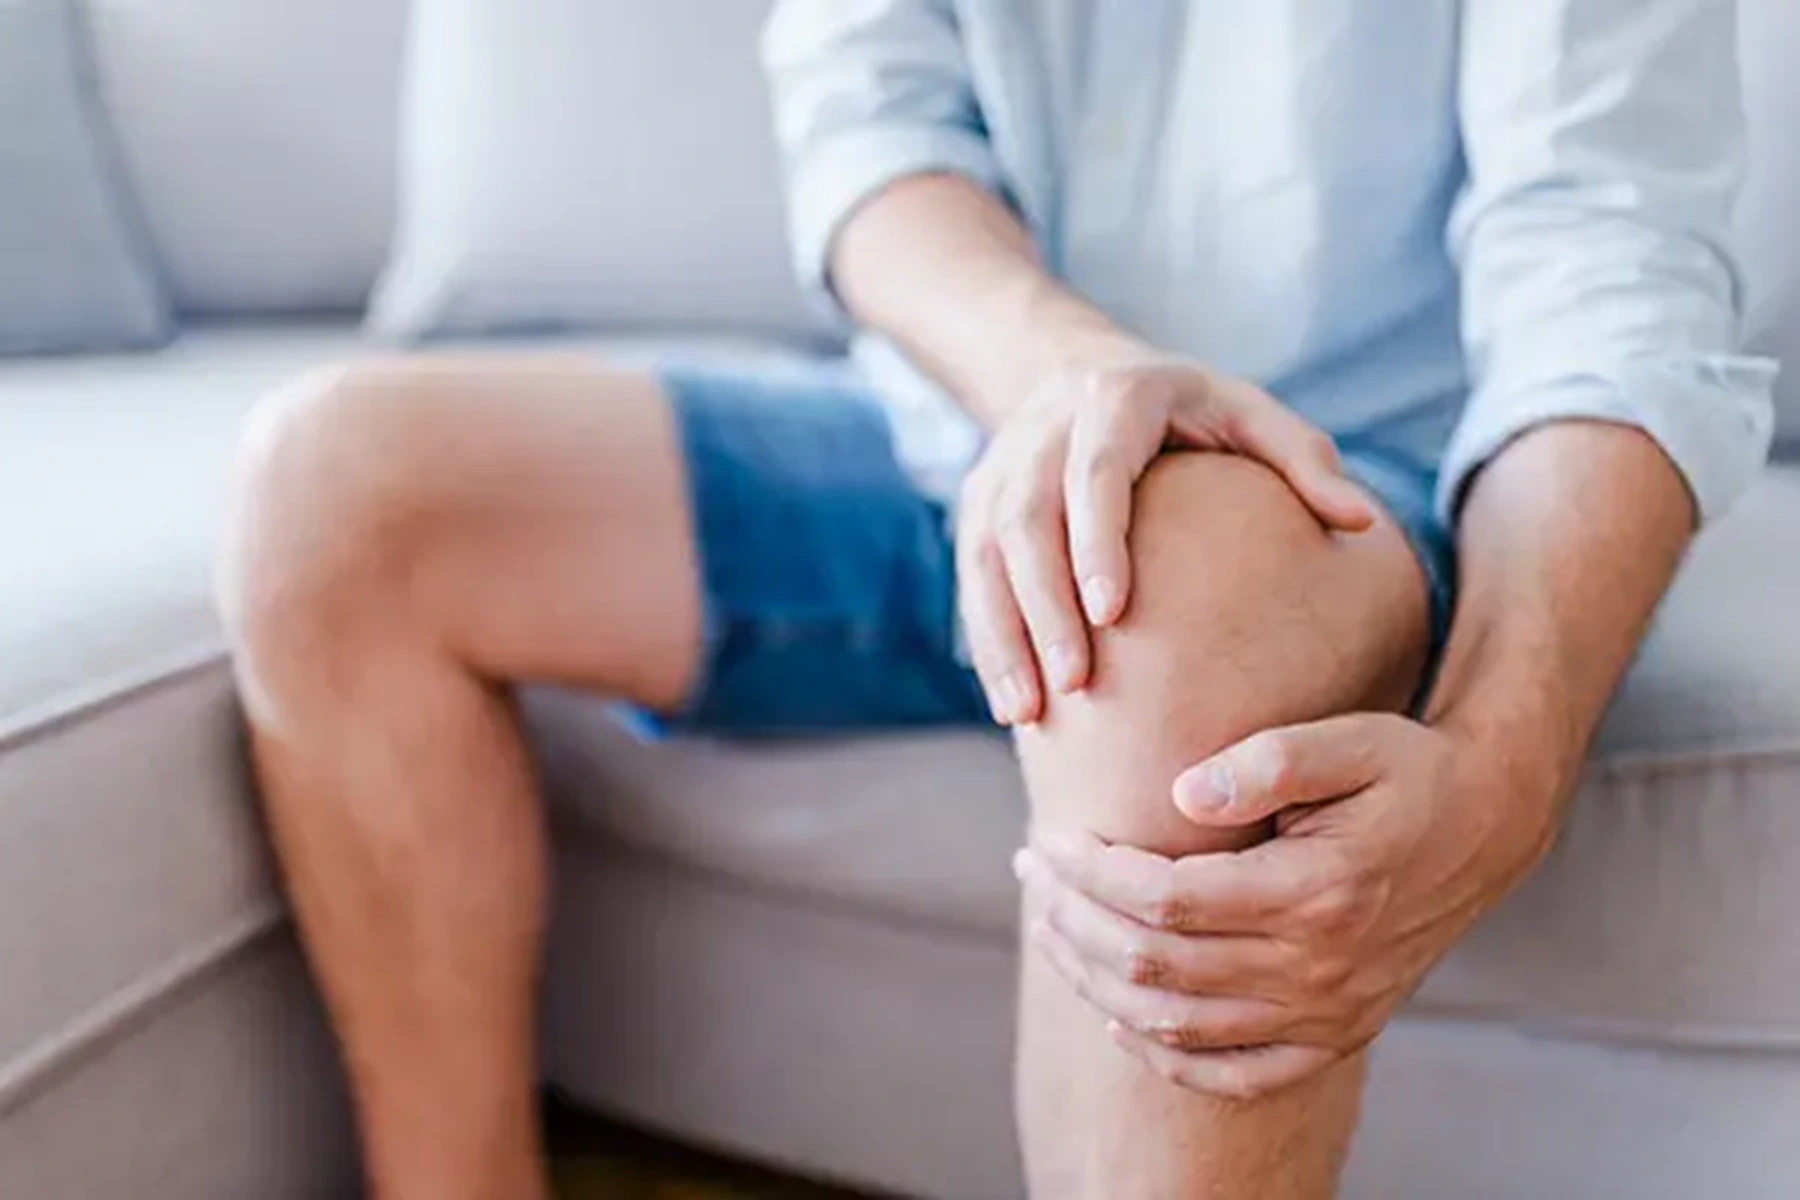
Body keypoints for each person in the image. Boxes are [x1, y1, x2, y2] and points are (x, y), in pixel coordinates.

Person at [215, 1, 1777, 1197]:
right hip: (959, 420)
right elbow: (871, 128)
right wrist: (1076, 386)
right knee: (331, 496)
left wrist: (1508, 760)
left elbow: (1609, 274)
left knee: (1165, 590)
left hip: (1335, 494)